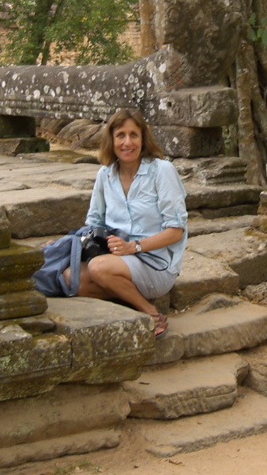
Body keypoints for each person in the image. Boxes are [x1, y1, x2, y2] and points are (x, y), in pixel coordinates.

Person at [65, 108, 187, 337]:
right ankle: (128, 296)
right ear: (111, 140)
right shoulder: (105, 174)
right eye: (121, 135)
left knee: (99, 267)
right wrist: (66, 243)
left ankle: (150, 312)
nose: (127, 142)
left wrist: (134, 247)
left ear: (143, 139)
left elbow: (175, 232)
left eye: (134, 135)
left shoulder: (162, 171)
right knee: (70, 279)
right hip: (118, 259)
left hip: (155, 263)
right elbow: (94, 221)